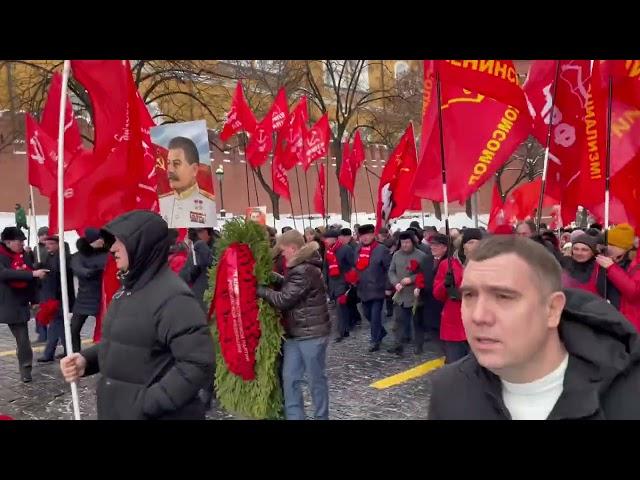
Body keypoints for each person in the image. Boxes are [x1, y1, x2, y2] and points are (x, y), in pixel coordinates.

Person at [428, 235, 640, 420]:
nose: (479, 316)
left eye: (503, 297)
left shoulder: (629, 396)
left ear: (552, 309)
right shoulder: (449, 389)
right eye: (469, 295)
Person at [60, 210, 215, 420]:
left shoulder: (174, 297)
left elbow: (197, 363)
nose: (112, 248)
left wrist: (147, 404)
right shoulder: (126, 290)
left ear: (141, 245)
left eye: (119, 241)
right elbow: (127, 340)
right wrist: (86, 360)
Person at [257, 231, 330, 420]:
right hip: (295, 334)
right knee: (290, 379)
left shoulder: (304, 269)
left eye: (282, 251)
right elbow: (291, 287)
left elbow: (284, 299)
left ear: (292, 248)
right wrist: (273, 276)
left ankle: (322, 417)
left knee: (316, 381)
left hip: (311, 334)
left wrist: (260, 290)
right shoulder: (299, 268)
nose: (282, 255)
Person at [0, 227, 48, 382]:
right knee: (22, 338)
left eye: (23, 241)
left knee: (23, 339)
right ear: (8, 242)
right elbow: (4, 274)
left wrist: (34, 300)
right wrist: (32, 273)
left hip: (19, 304)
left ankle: (26, 369)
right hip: (6, 302)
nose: (22, 244)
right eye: (19, 241)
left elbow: (31, 281)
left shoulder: (25, 255)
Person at [433, 230, 482, 364]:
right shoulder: (447, 265)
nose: (475, 246)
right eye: (471, 242)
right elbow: (437, 294)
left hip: (479, 324)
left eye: (479, 243)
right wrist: (446, 284)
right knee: (456, 366)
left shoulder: (487, 265)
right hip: (454, 324)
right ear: (463, 245)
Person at [158, 136, 216, 228]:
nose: (170, 170)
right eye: (168, 163)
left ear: (194, 169)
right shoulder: (161, 203)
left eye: (176, 163)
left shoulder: (210, 204)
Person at [352, 224, 392, 352]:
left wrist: (388, 286)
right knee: (367, 314)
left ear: (373, 235)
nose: (364, 238)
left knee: (375, 317)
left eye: (367, 235)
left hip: (378, 289)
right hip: (363, 289)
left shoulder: (382, 249)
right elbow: (356, 267)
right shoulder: (358, 249)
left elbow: (389, 269)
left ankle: (375, 340)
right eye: (362, 236)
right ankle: (381, 332)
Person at [387, 231, 427, 356]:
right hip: (401, 294)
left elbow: (425, 273)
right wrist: (395, 283)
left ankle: (418, 345)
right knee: (399, 320)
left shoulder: (421, 255)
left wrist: (412, 279)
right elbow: (391, 271)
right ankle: (398, 344)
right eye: (402, 242)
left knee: (417, 321)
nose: (404, 245)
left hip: (415, 295)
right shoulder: (396, 255)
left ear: (412, 242)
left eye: (407, 242)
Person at [37, 235, 75, 363]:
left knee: (57, 324)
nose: (47, 246)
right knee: (59, 325)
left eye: (51, 244)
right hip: (52, 297)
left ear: (58, 244)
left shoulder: (65, 258)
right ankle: (67, 350)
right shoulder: (49, 256)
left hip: (60, 297)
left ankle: (54, 353)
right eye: (47, 244)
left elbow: (62, 276)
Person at [70, 228, 108, 353]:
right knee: (74, 329)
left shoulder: (108, 254)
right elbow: (78, 269)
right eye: (100, 239)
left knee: (105, 330)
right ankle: (75, 353)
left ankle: (105, 355)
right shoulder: (79, 256)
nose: (103, 241)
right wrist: (94, 271)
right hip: (84, 298)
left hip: (103, 297)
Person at [596, 223, 640, 331]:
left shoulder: (635, 265)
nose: (608, 247)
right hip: (613, 318)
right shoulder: (608, 261)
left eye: (612, 244)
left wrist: (611, 268)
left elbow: (633, 292)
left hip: (632, 322)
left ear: (623, 248)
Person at [323, 228, 355, 342]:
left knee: (340, 307)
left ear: (334, 239)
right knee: (342, 307)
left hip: (343, 282)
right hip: (332, 283)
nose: (325, 240)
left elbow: (353, 264)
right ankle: (346, 328)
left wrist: (351, 279)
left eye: (327, 238)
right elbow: (325, 267)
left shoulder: (345, 249)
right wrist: (325, 282)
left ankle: (341, 332)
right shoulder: (328, 250)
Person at [180, 227, 215, 312]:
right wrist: (194, 265)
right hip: (198, 303)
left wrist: (204, 252)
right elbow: (184, 277)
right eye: (194, 232)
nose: (197, 235)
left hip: (214, 303)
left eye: (200, 231)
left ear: (209, 232)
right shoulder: (195, 250)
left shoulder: (219, 246)